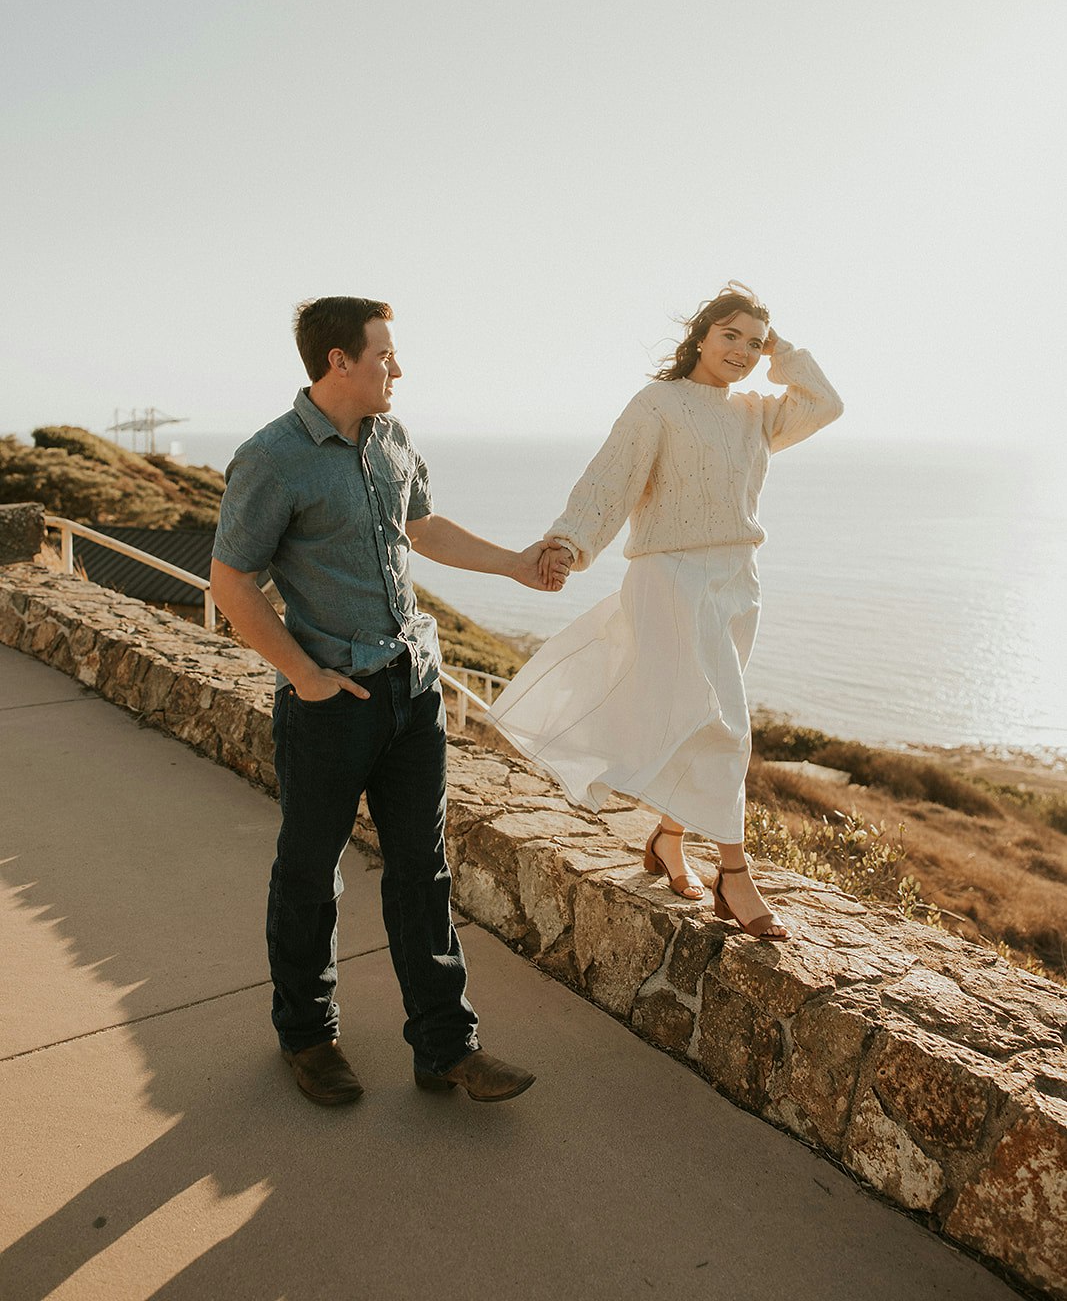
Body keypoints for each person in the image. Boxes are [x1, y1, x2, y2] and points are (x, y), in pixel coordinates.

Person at [210, 296, 565, 1107]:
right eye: (384, 355)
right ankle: (308, 1037)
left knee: (422, 872)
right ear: (339, 361)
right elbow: (232, 579)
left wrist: (514, 564)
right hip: (331, 701)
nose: (397, 369)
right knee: (309, 874)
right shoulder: (272, 457)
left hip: (415, 688)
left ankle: (446, 1046)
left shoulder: (394, 437)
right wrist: (304, 676)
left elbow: (422, 527)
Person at [492, 283, 843, 938]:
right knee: (725, 724)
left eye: (754, 340)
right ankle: (733, 878)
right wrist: (569, 540)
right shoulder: (658, 402)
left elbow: (825, 403)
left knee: (698, 719)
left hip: (737, 579)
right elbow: (610, 477)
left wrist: (783, 353)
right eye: (730, 335)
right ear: (701, 335)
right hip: (671, 576)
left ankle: (665, 839)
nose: (740, 350)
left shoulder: (756, 413)